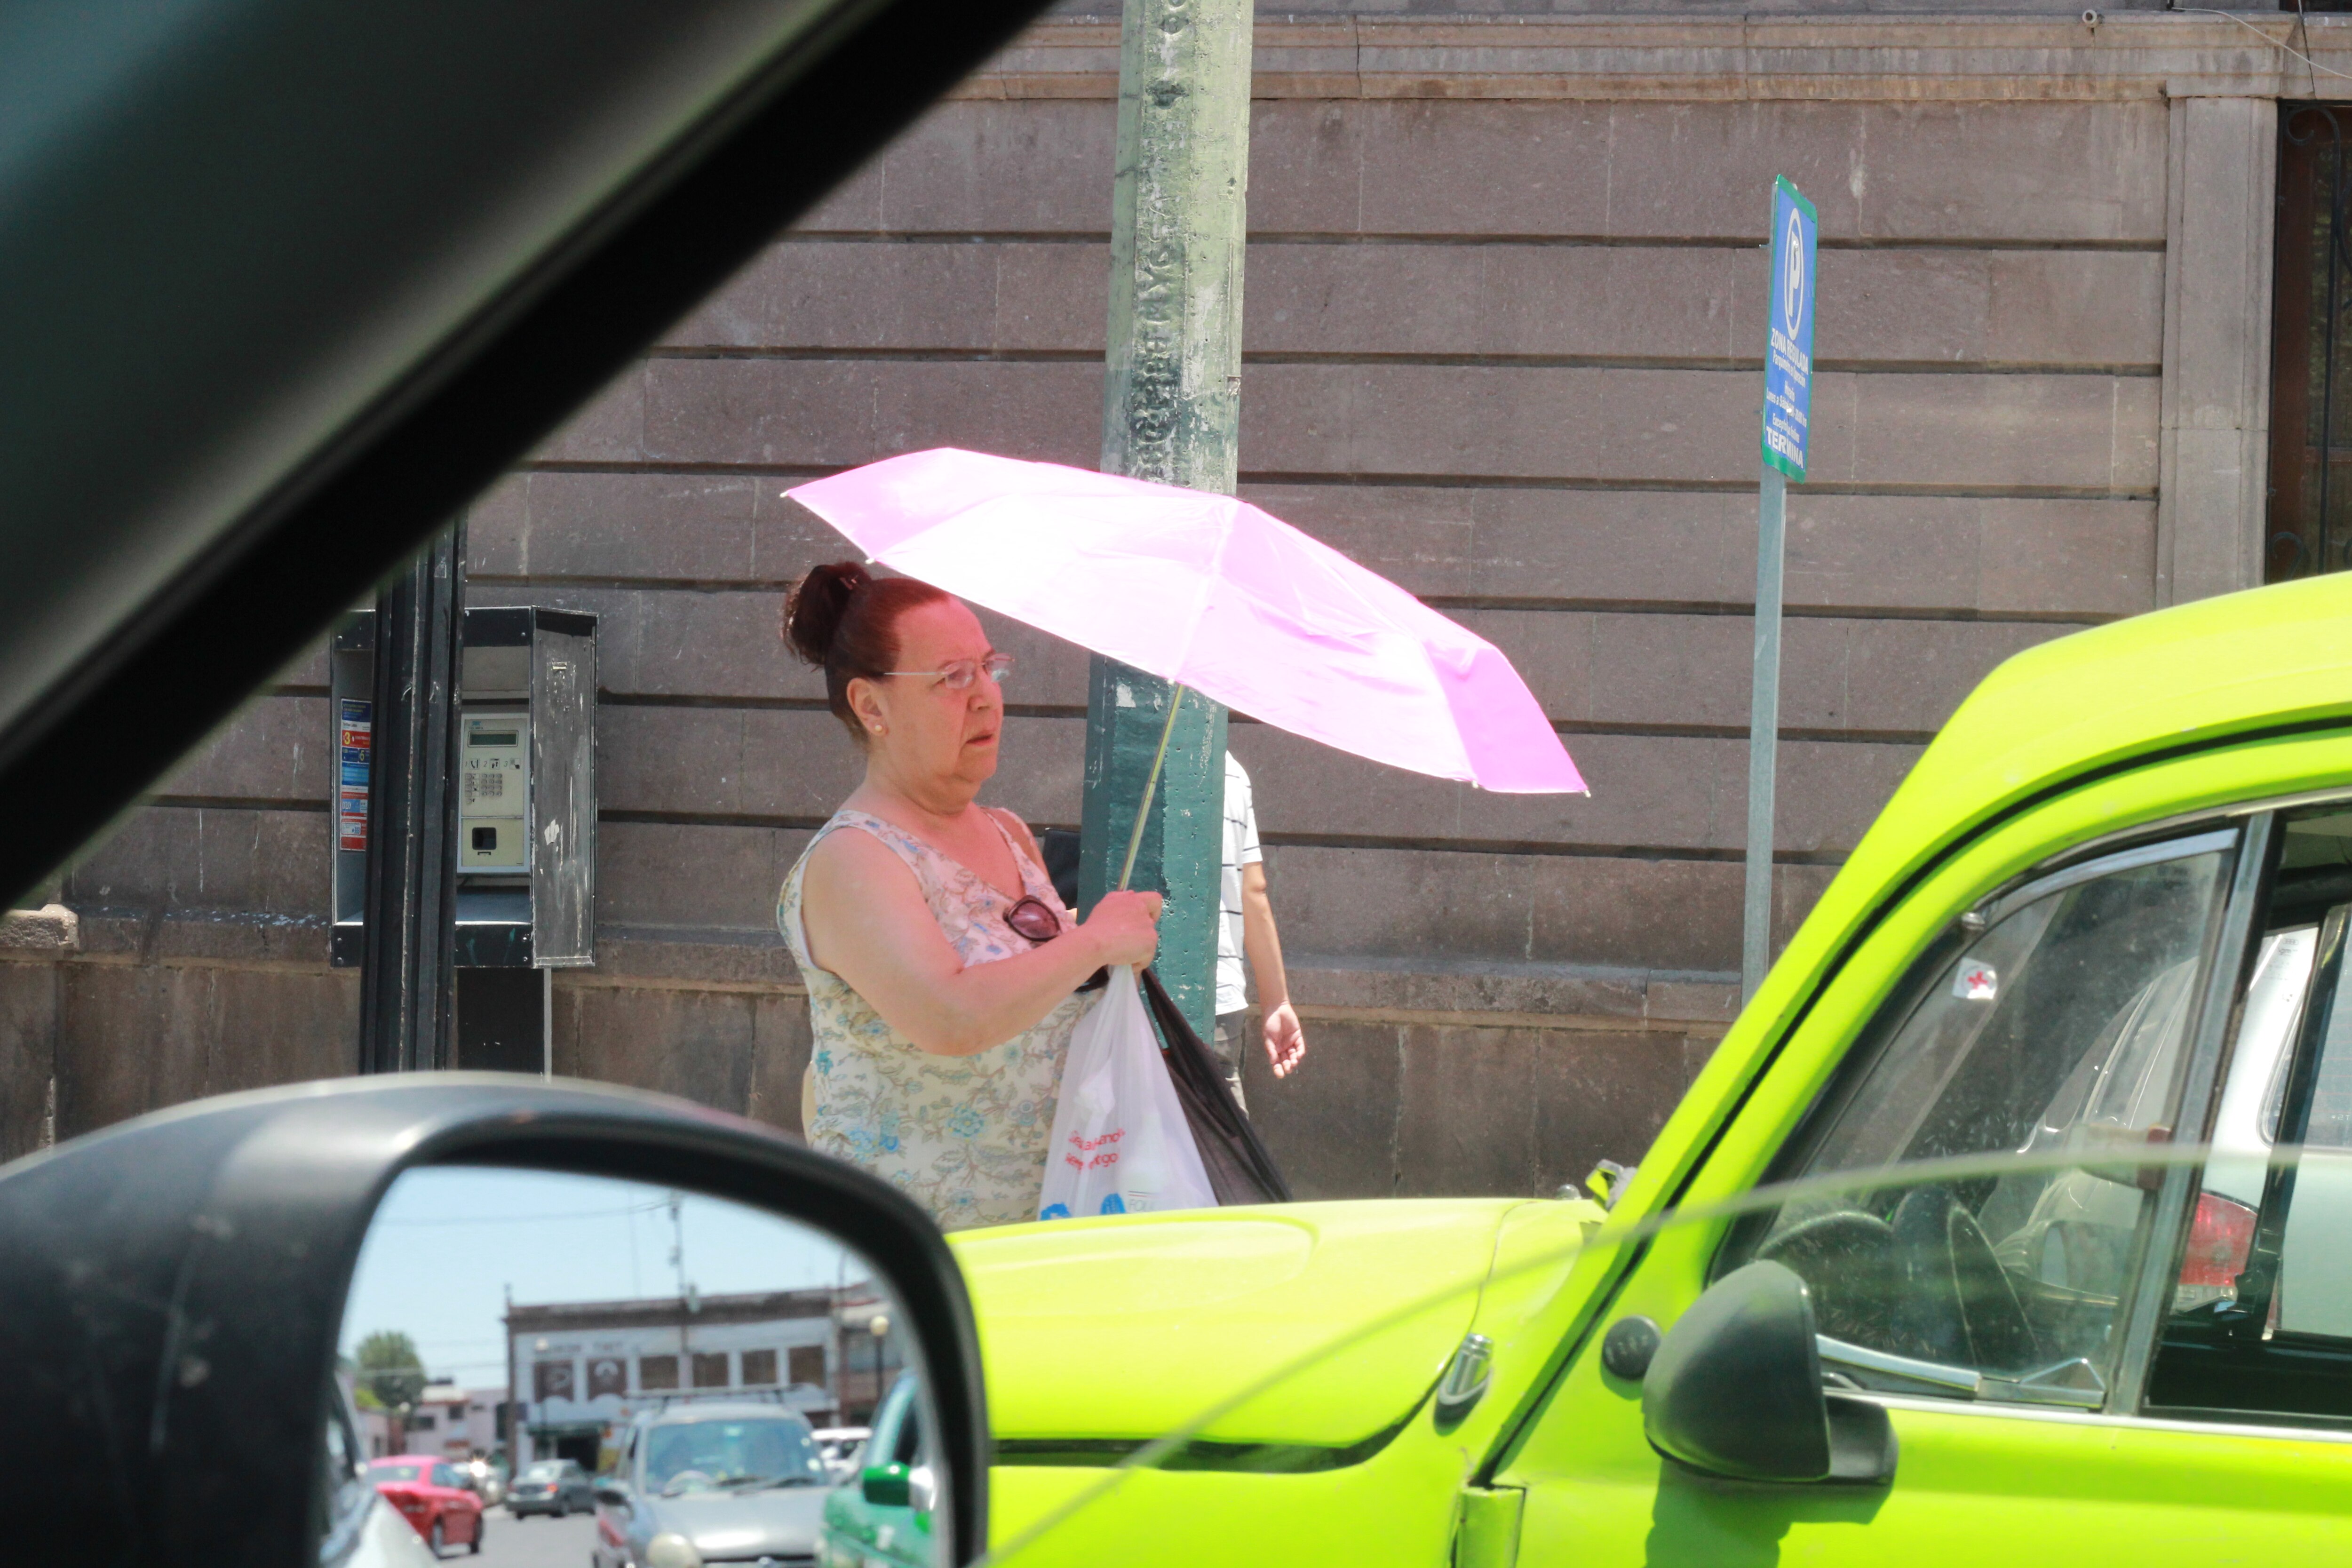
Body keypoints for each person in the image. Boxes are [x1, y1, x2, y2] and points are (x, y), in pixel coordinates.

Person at [775, 563, 1164, 1229]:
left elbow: (1031, 982)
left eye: (989, 668)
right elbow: (950, 1016)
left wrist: (1103, 953)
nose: (987, 696)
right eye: (954, 677)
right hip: (922, 1252)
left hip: (1050, 1229)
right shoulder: (854, 857)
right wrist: (1095, 941)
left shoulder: (1007, 830)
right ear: (873, 708)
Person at [1213, 751, 1306, 1109]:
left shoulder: (1129, 748)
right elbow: (1253, 890)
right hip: (1222, 995)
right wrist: (1276, 1000)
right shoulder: (1233, 771)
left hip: (1139, 990)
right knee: (1222, 1145)